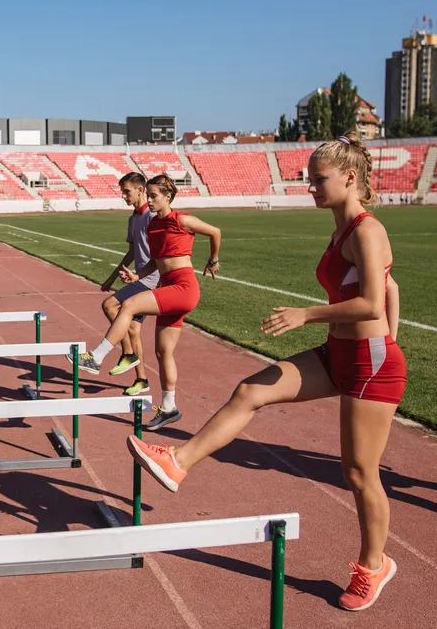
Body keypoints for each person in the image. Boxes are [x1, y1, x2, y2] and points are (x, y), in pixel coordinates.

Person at [127, 132, 406, 612]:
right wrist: (362, 330)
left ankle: (374, 565)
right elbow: (390, 285)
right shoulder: (342, 231)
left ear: (350, 178)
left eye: (319, 180)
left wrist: (311, 315)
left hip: (370, 364)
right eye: (309, 179)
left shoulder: (366, 229)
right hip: (338, 354)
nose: (310, 187)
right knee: (249, 391)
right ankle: (178, 462)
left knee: (359, 473)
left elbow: (372, 302)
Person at [73, 175, 220, 432]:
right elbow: (156, 261)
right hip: (167, 285)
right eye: (148, 196)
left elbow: (215, 231)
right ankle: (169, 407)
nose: (149, 200)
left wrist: (213, 259)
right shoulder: (153, 226)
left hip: (184, 287)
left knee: (128, 305)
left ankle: (96, 357)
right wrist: (137, 276)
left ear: (168, 197)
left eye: (153, 196)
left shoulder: (182, 219)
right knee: (163, 353)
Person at [98, 173, 157, 406]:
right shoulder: (134, 219)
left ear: (141, 190)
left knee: (110, 305)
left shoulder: (153, 217)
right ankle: (142, 379)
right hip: (139, 278)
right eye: (122, 191)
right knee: (132, 329)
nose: (123, 196)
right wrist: (112, 277)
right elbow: (132, 253)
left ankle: (127, 354)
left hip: (153, 280)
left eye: (127, 191)